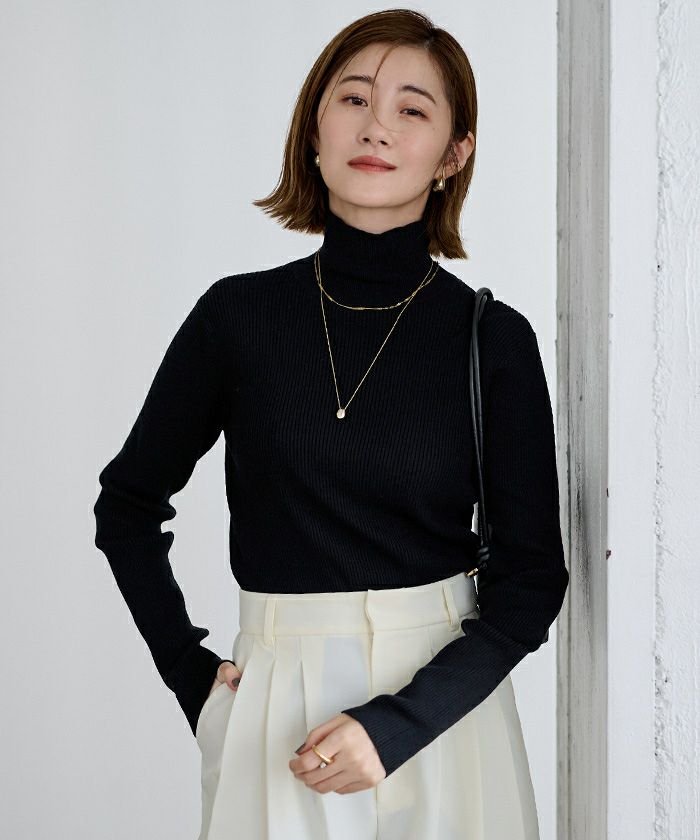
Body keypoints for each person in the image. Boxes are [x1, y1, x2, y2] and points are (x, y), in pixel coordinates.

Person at [93, 9, 569, 840]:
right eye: (353, 99)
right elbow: (127, 505)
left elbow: (531, 581)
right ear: (314, 129)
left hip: (445, 717)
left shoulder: (490, 338)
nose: (376, 126)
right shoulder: (237, 318)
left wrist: (399, 727)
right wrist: (194, 681)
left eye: (412, 109)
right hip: (275, 714)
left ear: (453, 155)